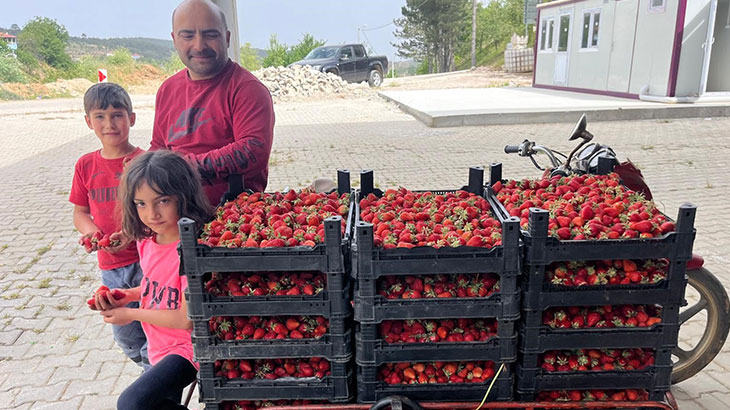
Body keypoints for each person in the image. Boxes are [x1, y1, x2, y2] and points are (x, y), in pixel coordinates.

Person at [96, 150, 212, 410]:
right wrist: (130, 295)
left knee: (132, 403)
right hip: (159, 344)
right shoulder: (148, 241)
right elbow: (158, 286)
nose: (151, 214)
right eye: (141, 204)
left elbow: (184, 319)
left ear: (184, 195)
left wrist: (131, 314)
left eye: (162, 201)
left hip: (188, 348)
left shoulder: (191, 249)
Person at [151, 0, 275, 206]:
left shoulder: (247, 89)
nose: (199, 45)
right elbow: (159, 145)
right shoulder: (167, 89)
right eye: (188, 35)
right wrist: (142, 166)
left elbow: (254, 150)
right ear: (174, 39)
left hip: (232, 215)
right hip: (175, 213)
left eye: (210, 35)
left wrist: (184, 168)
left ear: (227, 38)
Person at [69, 82, 149, 370]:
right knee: (125, 334)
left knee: (153, 323)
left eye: (117, 115)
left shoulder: (143, 162)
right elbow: (80, 212)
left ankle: (155, 375)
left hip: (146, 261)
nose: (109, 124)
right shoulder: (85, 165)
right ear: (88, 121)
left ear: (132, 118)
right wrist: (91, 233)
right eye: (100, 116)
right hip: (111, 267)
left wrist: (131, 233)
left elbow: (159, 212)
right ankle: (147, 369)